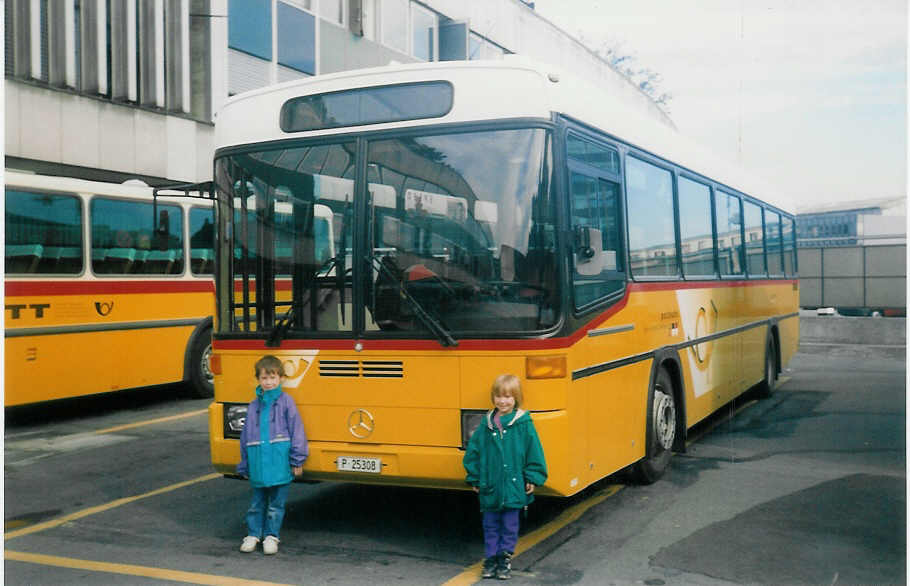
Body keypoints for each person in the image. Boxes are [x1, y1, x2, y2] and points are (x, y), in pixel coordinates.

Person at [463, 374, 547, 580]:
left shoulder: (523, 423)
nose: (503, 401)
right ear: (493, 398)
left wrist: (532, 477)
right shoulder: (486, 424)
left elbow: (533, 451)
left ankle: (505, 558)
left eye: (508, 397)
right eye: (499, 396)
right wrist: (474, 478)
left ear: (516, 398)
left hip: (514, 487)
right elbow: (473, 452)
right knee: (490, 525)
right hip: (490, 486)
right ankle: (491, 558)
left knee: (510, 525)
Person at [237, 355, 308, 555]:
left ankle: (271, 536)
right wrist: (244, 464)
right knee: (257, 503)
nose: (268, 382)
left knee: (276, 504)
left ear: (281, 378)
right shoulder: (253, 406)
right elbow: (246, 436)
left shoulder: (287, 402)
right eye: (264, 378)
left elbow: (297, 430)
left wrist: (297, 459)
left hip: (280, 462)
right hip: (258, 463)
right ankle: (252, 534)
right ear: (258, 380)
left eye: (272, 378)